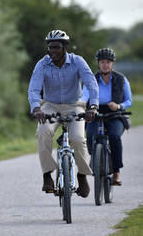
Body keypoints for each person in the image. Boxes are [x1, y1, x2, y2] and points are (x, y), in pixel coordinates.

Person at [28, 29, 99, 198]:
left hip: (74, 105)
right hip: (50, 106)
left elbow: (91, 83)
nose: (52, 51)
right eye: (50, 47)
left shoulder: (77, 62)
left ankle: (82, 176)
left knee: (77, 139)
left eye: (56, 47)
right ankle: (47, 176)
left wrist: (93, 106)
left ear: (65, 47)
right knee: (43, 132)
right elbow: (34, 89)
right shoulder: (42, 64)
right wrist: (36, 108)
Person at [82, 48, 133, 186]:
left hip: (115, 113)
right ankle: (94, 156)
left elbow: (129, 101)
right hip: (95, 112)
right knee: (91, 135)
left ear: (112, 64)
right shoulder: (91, 79)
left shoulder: (121, 79)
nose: (105, 64)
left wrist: (119, 106)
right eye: (102, 62)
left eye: (108, 62)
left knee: (114, 137)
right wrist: (82, 105)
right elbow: (85, 95)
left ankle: (116, 172)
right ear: (98, 63)